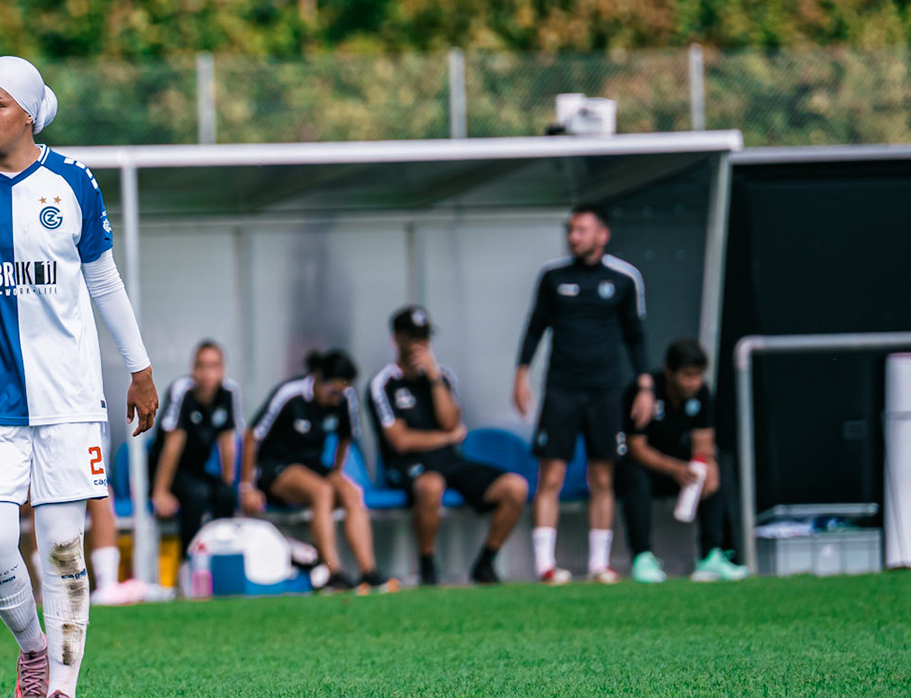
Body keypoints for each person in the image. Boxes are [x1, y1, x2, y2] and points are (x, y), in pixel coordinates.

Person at [0, 54, 157, 698]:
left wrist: (138, 368)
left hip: (69, 395)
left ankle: (63, 691)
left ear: (27, 110)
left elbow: (103, 280)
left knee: (60, 545)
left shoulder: (74, 181)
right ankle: (32, 645)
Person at [513, 204, 651, 584]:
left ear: (601, 234)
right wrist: (521, 374)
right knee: (551, 475)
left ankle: (599, 564)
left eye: (582, 230)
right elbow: (535, 327)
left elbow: (635, 337)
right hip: (561, 388)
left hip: (606, 390)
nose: (574, 237)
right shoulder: (553, 276)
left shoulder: (624, 278)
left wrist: (644, 385)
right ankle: (546, 566)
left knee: (603, 476)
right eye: (572, 230)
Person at [369, 306, 529, 585]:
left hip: (450, 461)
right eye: (413, 336)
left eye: (425, 337)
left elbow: (450, 420)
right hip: (408, 466)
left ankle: (485, 563)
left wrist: (432, 379)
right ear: (397, 339)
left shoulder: (442, 377)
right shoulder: (384, 384)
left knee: (515, 488)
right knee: (430, 485)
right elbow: (401, 441)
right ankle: (428, 566)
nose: (420, 344)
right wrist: (448, 437)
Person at [240, 349, 391, 593]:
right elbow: (252, 436)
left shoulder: (345, 396)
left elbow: (346, 437)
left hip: (314, 467)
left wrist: (336, 470)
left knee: (351, 492)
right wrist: (247, 487)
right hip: (276, 468)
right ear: (319, 379)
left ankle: (368, 570)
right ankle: (333, 572)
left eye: (341, 393)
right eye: (332, 392)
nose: (336, 399)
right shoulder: (290, 394)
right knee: (323, 491)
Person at [617, 338, 747, 583]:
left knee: (720, 465)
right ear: (669, 371)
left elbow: (703, 443)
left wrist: (705, 464)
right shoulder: (644, 393)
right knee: (632, 473)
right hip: (651, 470)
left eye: (698, 376)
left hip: (683, 473)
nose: (694, 383)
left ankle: (711, 555)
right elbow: (636, 449)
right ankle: (642, 557)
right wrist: (675, 468)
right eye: (687, 376)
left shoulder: (702, 394)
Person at [149, 340, 242, 554]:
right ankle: (188, 562)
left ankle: (222, 556)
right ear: (193, 369)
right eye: (201, 366)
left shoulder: (229, 392)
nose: (206, 373)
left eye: (213, 366)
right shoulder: (182, 391)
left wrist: (228, 483)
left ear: (222, 369)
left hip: (197, 471)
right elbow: (173, 445)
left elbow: (228, 443)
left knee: (225, 494)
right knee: (197, 494)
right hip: (167, 472)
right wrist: (160, 492)